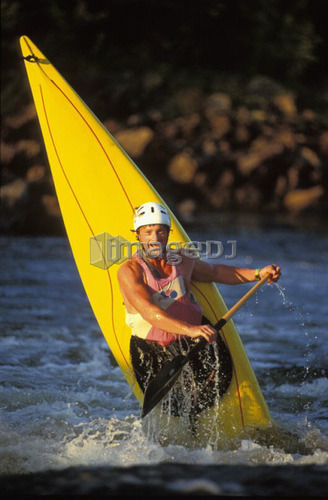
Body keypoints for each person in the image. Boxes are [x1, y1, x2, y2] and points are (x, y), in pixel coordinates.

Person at [117, 202, 281, 417]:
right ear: (138, 235)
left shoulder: (183, 259)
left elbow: (215, 272)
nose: (155, 238)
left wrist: (258, 273)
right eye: (148, 232)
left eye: (160, 231)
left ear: (168, 233)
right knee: (177, 411)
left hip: (191, 344)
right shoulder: (129, 271)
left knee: (201, 403)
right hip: (151, 350)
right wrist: (190, 329)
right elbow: (148, 312)